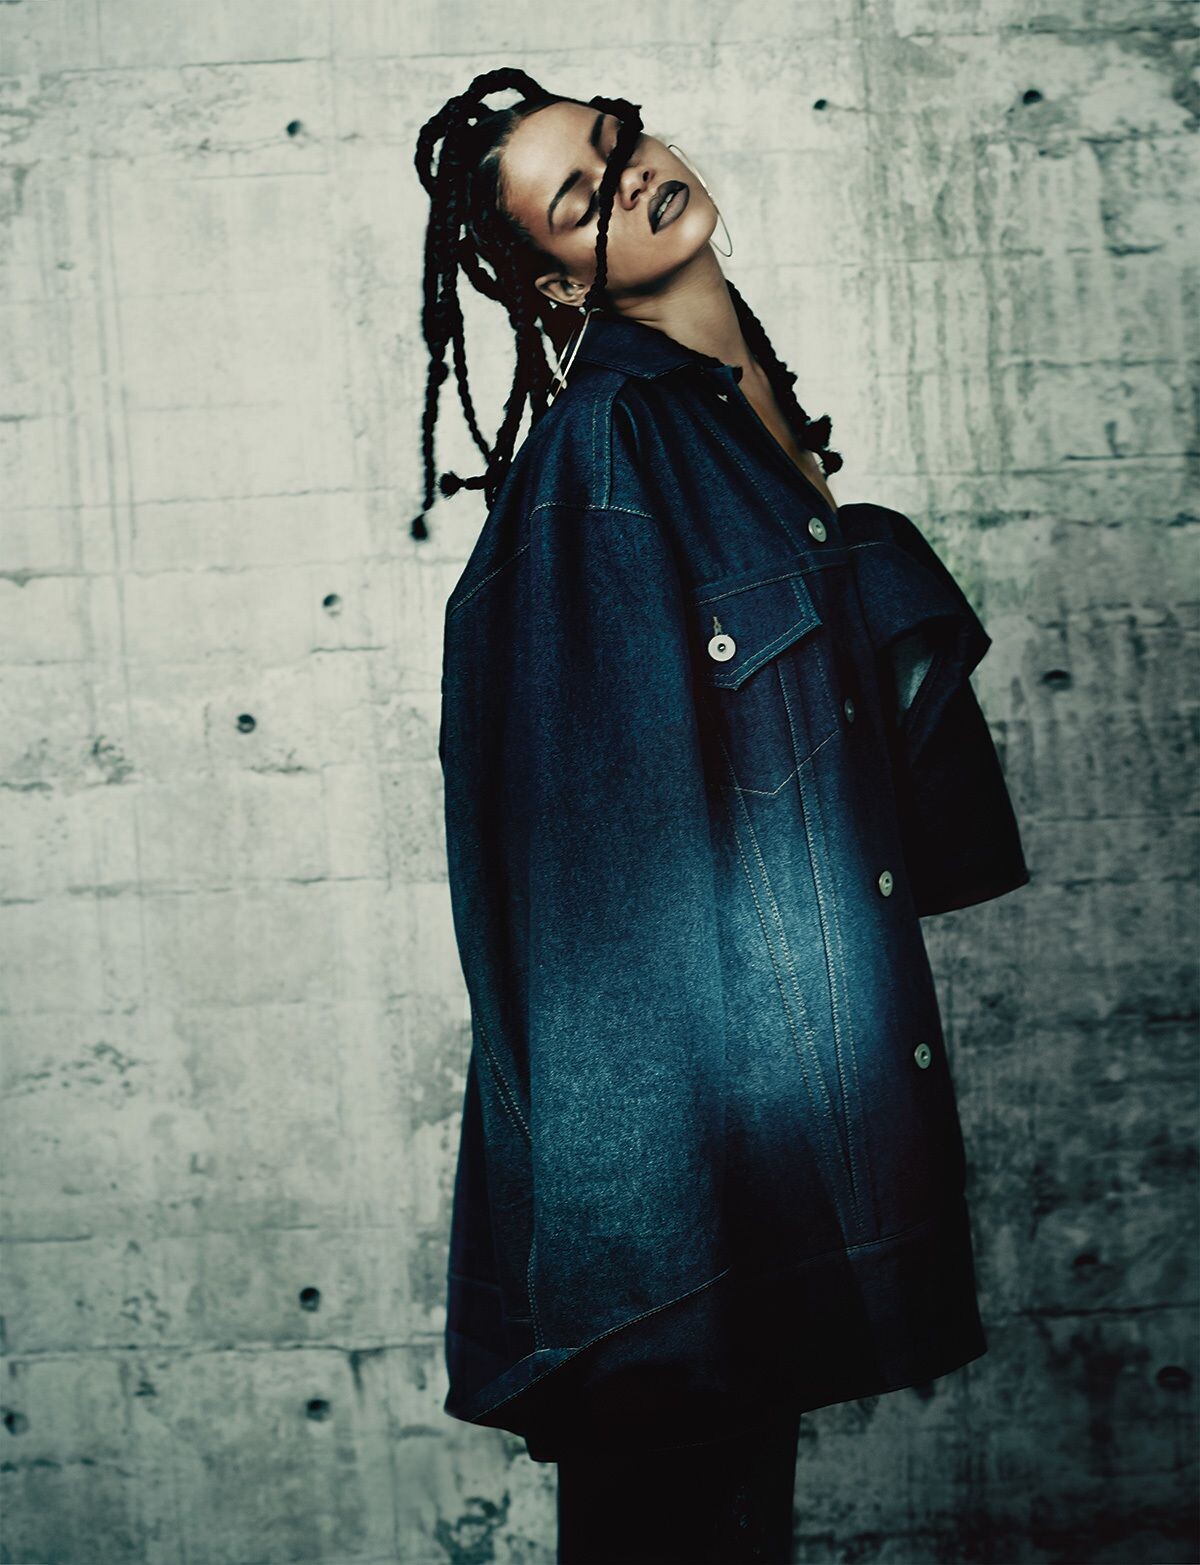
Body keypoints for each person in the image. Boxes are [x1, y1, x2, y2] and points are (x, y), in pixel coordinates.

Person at [411, 70, 1030, 1564]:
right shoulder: (610, 458)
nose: (625, 180)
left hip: (777, 1137)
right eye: (578, 199)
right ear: (561, 283)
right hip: (679, 1206)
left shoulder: (747, 426)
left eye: (611, 144)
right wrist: (655, 1274)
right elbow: (593, 888)